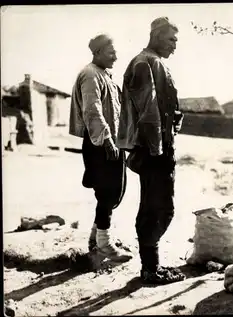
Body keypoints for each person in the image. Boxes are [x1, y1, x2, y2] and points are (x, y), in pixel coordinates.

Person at [117, 17, 185, 284]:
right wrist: (158, 150)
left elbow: (163, 108)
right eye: (171, 39)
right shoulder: (146, 62)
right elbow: (148, 112)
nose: (175, 46)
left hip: (156, 146)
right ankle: (150, 269)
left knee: (155, 206)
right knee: (158, 208)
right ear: (156, 36)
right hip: (153, 148)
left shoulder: (153, 62)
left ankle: (151, 267)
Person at [69, 34, 132, 263]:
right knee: (106, 193)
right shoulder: (90, 74)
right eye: (110, 52)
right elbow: (92, 111)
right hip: (100, 143)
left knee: (113, 192)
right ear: (97, 53)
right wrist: (107, 141)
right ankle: (104, 244)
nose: (115, 56)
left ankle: (97, 240)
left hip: (111, 142)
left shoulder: (106, 76)